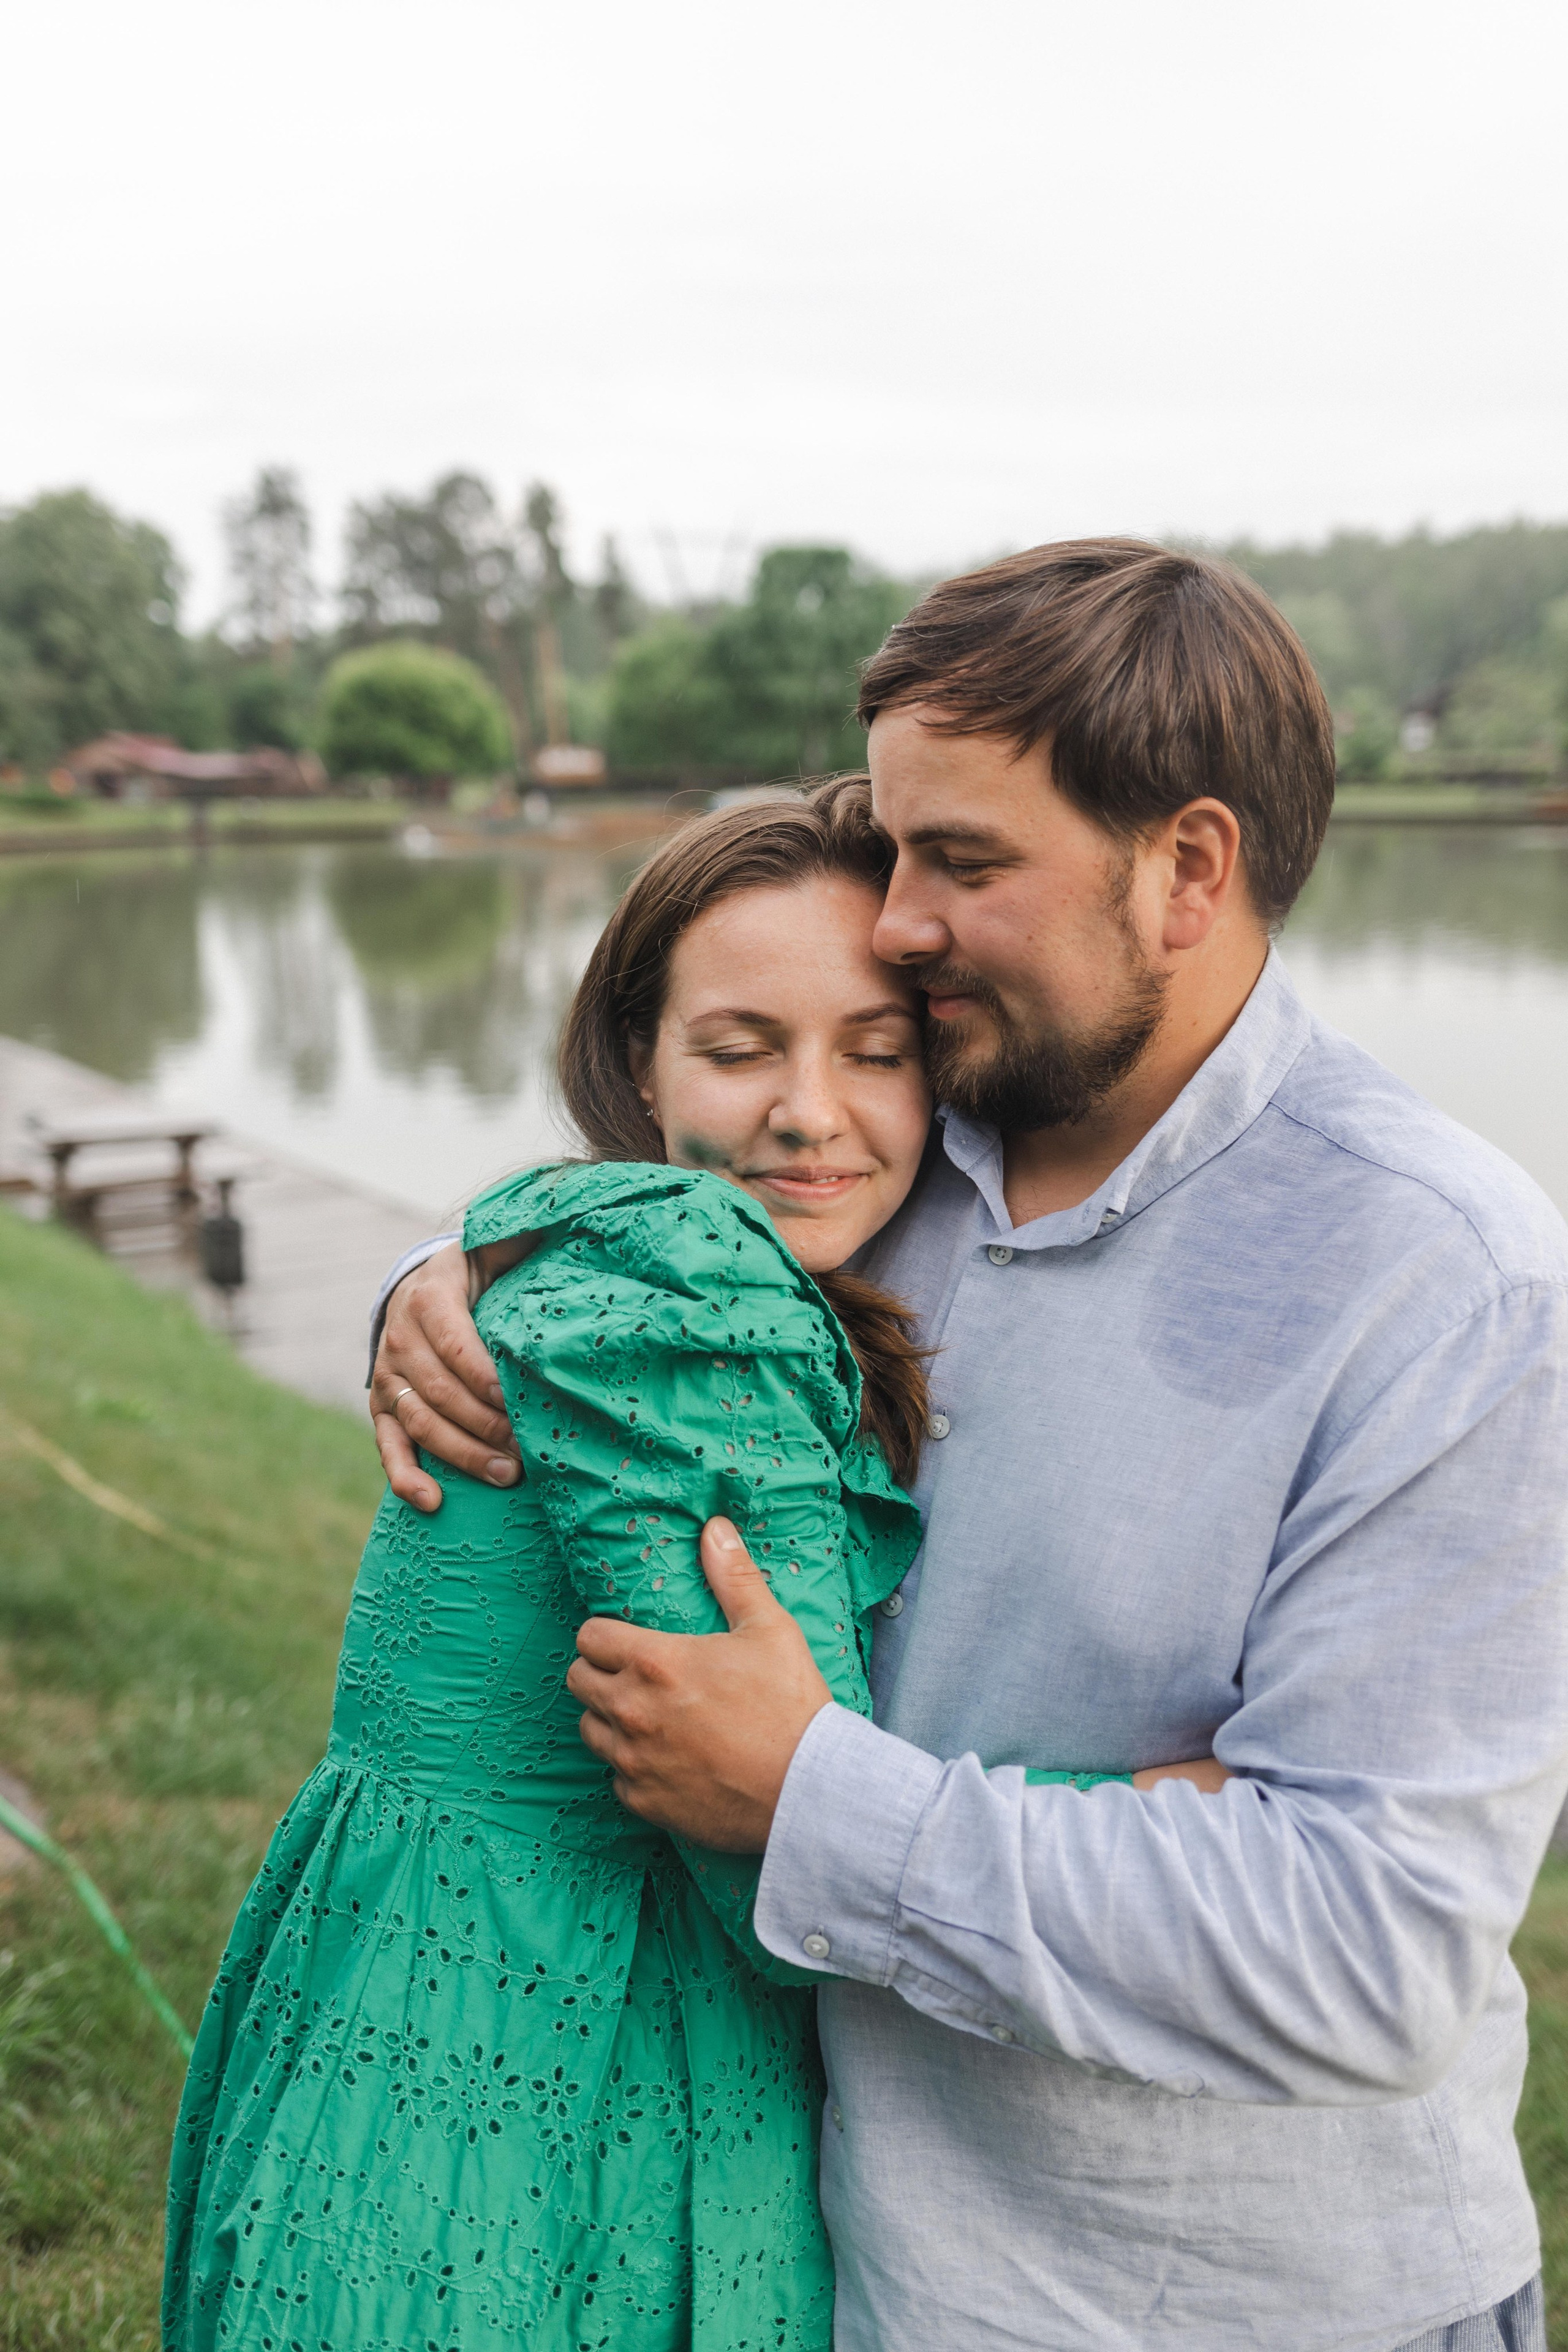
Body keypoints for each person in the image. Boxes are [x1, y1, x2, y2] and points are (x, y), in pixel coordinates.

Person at [375, 540, 1568, 2352]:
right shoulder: (890, 1160)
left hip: (1263, 2310)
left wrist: (810, 1801)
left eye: (965, 859)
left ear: (1187, 868)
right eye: (901, 841)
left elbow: (1368, 1949)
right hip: (870, 2266)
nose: (899, 916)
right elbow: (637, 1215)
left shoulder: (1447, 1281)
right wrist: (442, 1280)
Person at [164, 783, 1205, 2352]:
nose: (809, 1109)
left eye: (876, 1051)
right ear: (635, 1062)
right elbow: (772, 1833)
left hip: (369, 1980)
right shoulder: (699, 1304)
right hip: (539, 2059)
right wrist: (1145, 1819)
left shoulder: (597, 1247)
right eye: (739, 1049)